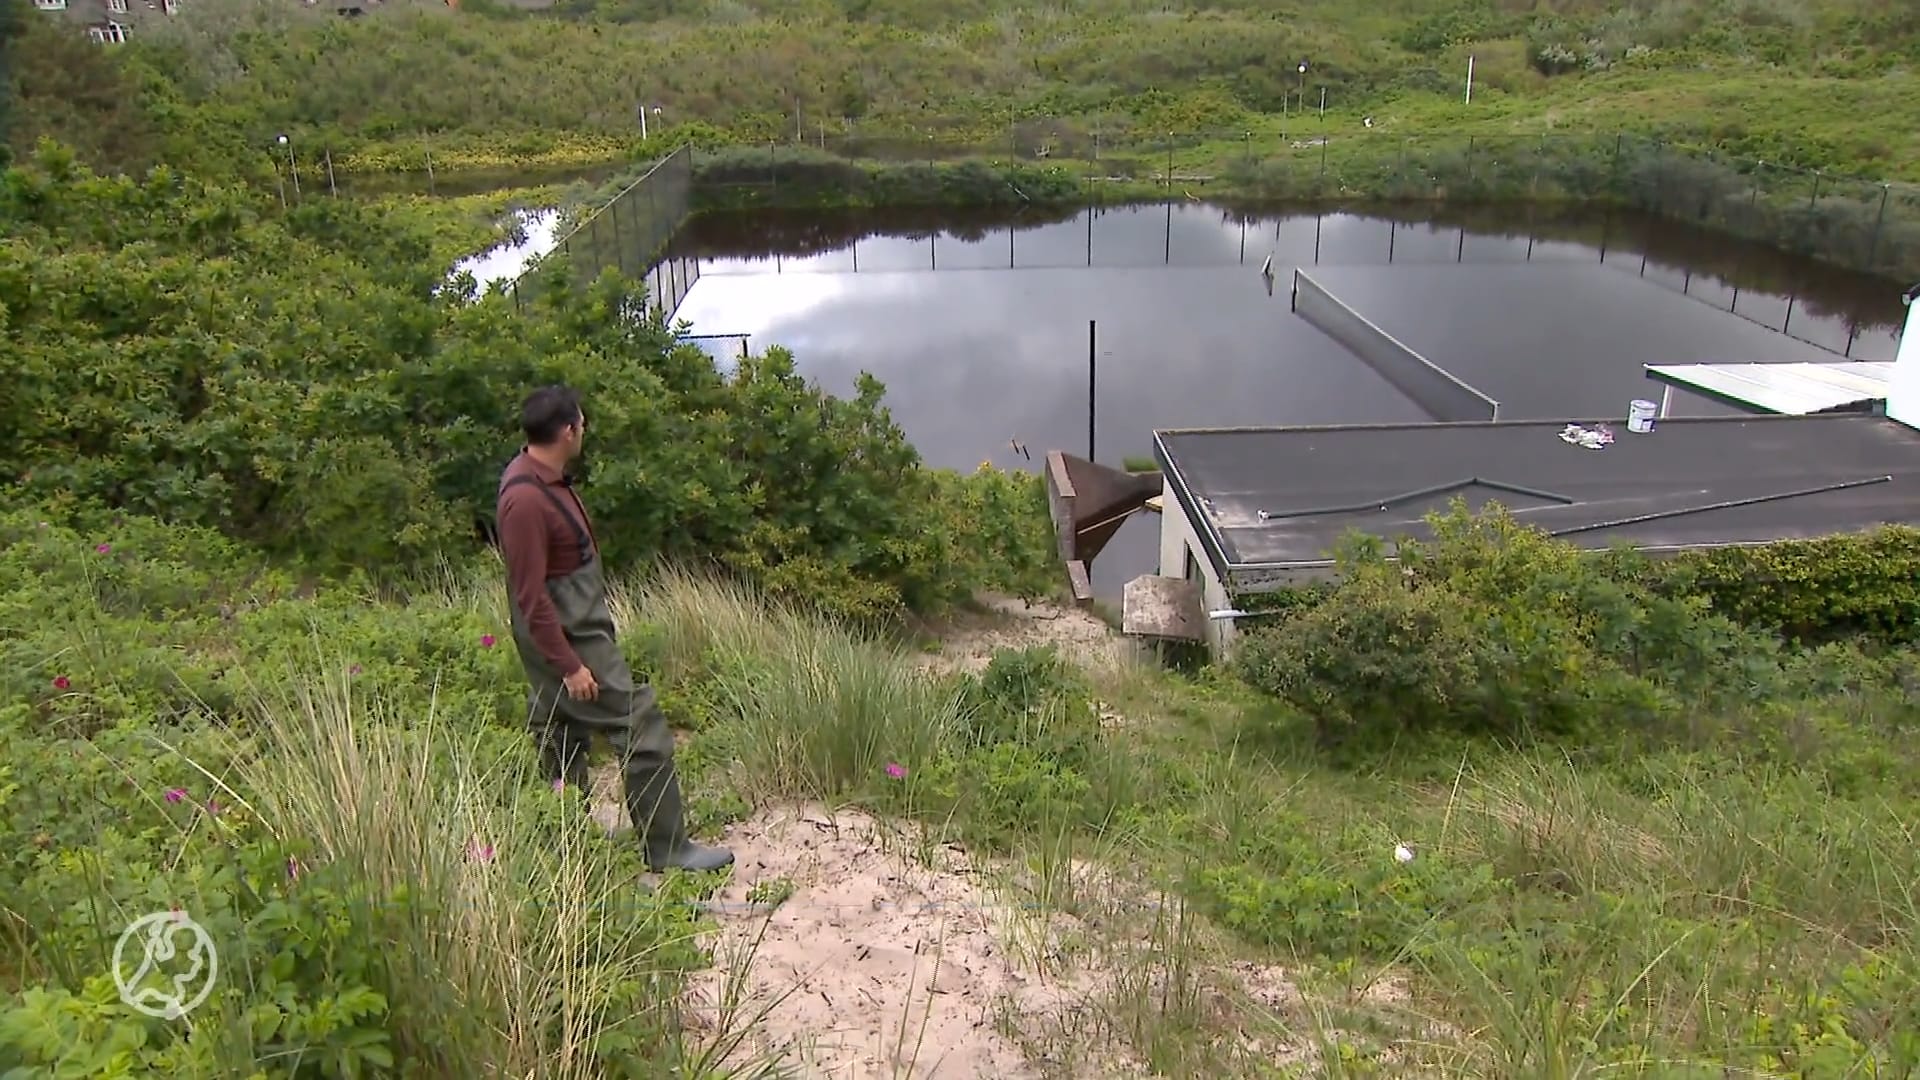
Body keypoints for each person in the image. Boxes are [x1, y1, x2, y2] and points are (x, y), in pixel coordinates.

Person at [495, 385, 733, 873]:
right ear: (567, 431)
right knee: (637, 720)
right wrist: (570, 665)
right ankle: (667, 849)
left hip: (568, 631)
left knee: (559, 732)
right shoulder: (526, 499)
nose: (584, 429)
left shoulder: (543, 479)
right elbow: (529, 595)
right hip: (568, 638)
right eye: (581, 422)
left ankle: (565, 843)